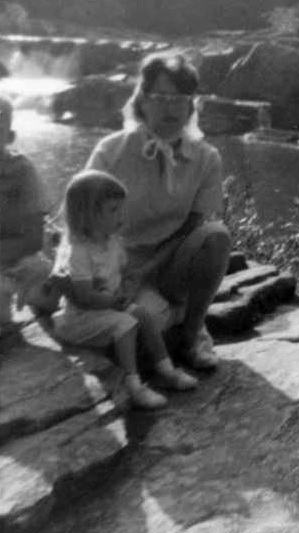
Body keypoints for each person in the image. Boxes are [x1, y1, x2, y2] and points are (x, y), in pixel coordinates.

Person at [85, 52, 231, 370]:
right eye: (162, 97)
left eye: (181, 98)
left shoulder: (206, 158)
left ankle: (192, 336)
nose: (171, 107)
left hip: (170, 259)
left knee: (216, 237)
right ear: (142, 100)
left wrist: (150, 267)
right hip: (118, 263)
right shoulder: (111, 151)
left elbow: (195, 225)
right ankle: (171, 320)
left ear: (191, 105)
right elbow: (83, 219)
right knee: (143, 334)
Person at [52, 169, 198, 409]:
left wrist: (128, 285)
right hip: (80, 318)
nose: (121, 216)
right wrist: (114, 302)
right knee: (125, 323)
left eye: (121, 208)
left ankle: (167, 370)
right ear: (87, 215)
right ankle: (134, 387)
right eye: (113, 210)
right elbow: (84, 296)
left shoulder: (111, 241)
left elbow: (119, 275)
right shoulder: (79, 251)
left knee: (142, 314)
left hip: (103, 308)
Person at [0, 94, 52, 328]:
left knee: (45, 278)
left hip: (15, 261)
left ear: (9, 136)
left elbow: (34, 239)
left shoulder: (23, 171)